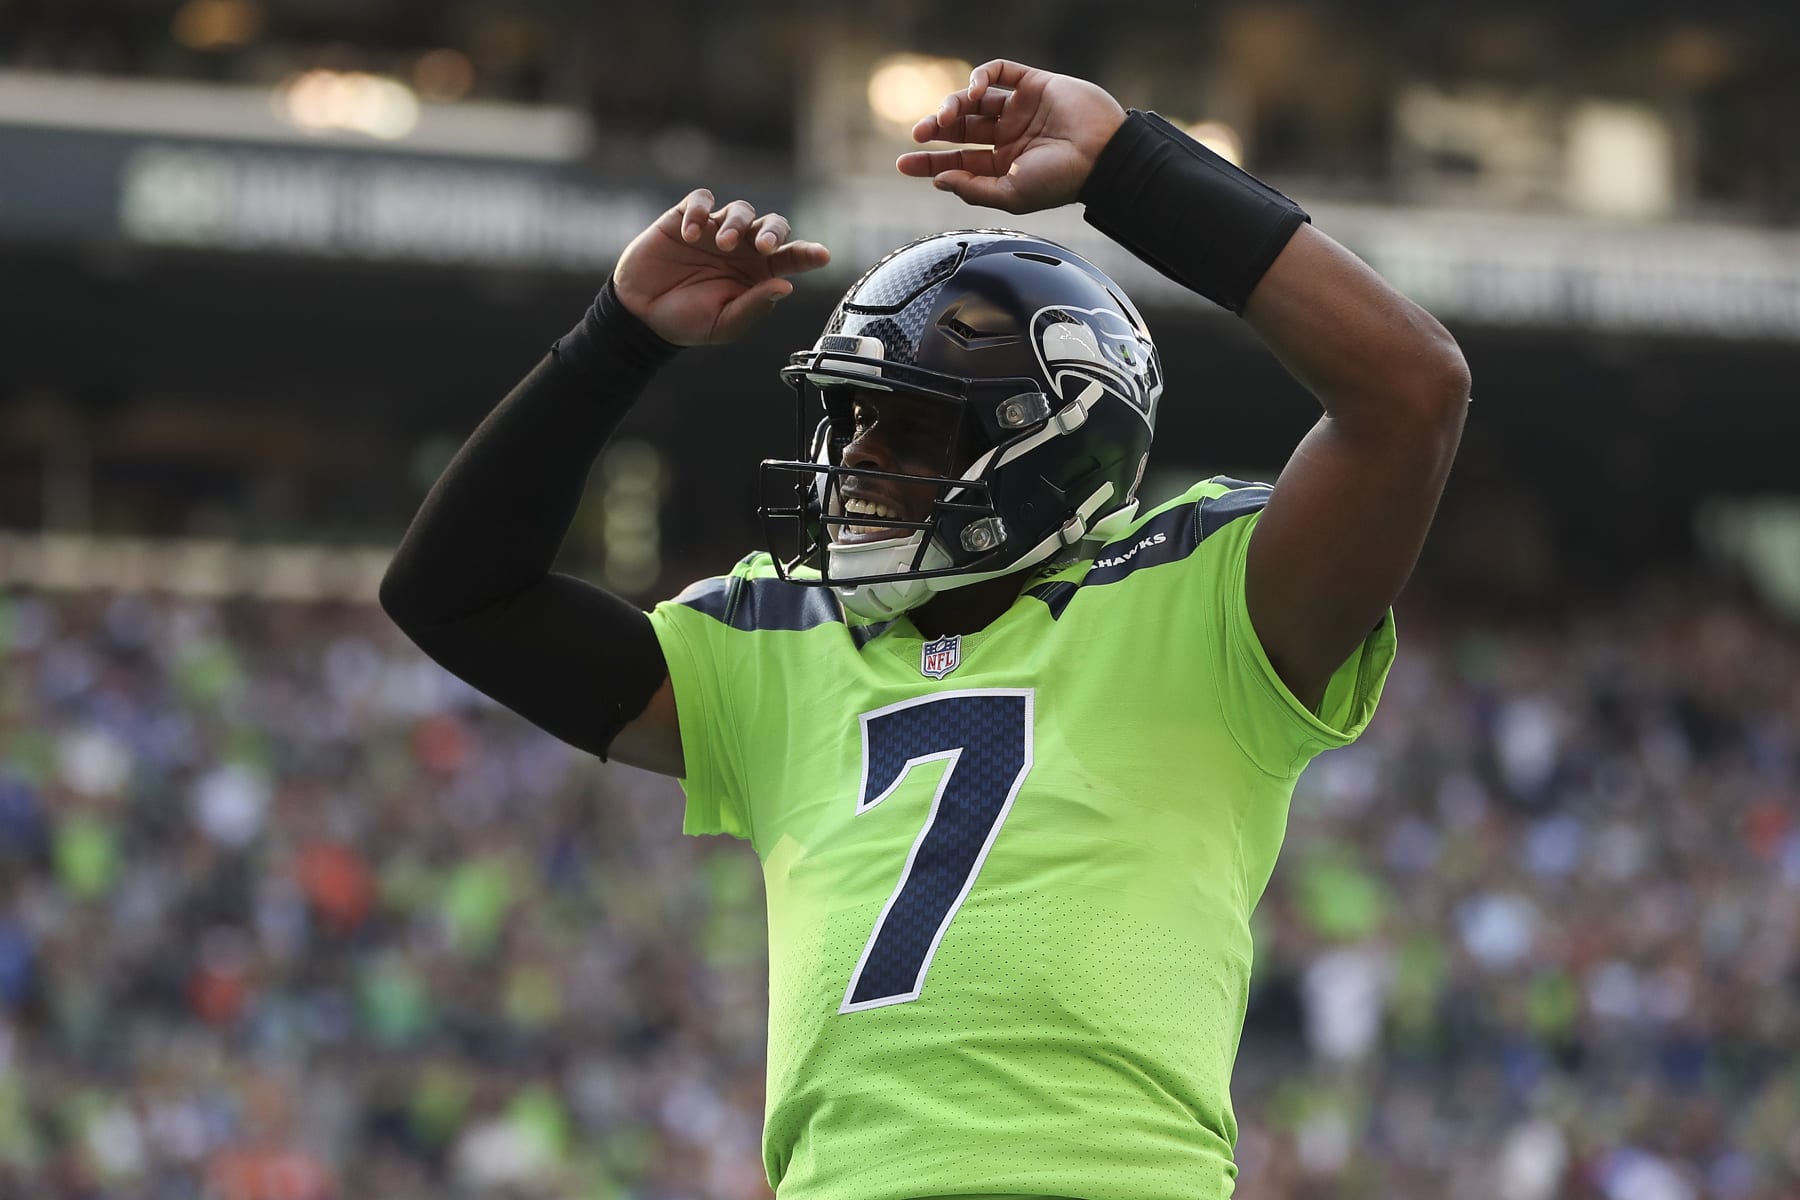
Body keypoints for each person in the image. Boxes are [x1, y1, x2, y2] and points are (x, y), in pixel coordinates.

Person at [381, 57, 1469, 1200]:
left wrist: (1128, 168)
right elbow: (455, 595)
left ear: (1049, 445)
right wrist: (616, 338)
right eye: (849, 423)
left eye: (904, 430)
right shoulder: (777, 642)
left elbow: (1410, 391)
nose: (853, 462)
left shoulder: (1203, 599)